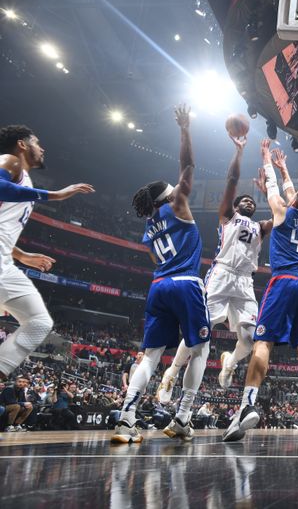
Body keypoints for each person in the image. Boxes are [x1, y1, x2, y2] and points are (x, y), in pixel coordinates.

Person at [111, 104, 211, 444]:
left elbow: (156, 256)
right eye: (170, 187)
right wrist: (185, 129)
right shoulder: (177, 205)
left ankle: (126, 417)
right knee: (201, 349)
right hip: (185, 282)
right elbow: (188, 166)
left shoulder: (149, 227)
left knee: (151, 355)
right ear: (165, 196)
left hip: (158, 286)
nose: (175, 187)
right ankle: (183, 416)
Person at [224, 140, 298, 442]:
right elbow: (289, 192)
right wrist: (285, 171)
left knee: (263, 341)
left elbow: (273, 189)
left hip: (283, 282)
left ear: (293, 202)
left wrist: (268, 159)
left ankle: (248, 406)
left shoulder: (283, 211)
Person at [157, 132, 273, 402]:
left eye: (253, 201)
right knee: (200, 331)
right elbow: (232, 181)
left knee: (250, 338)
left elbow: (281, 216)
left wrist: (267, 191)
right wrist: (240, 152)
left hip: (244, 281)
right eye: (244, 200)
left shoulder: (260, 228)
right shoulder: (227, 217)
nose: (249, 201)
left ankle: (230, 361)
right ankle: (171, 373)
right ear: (234, 206)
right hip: (222, 275)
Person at [0, 125, 94, 379]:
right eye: (37, 143)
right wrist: (55, 194)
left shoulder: (24, 178)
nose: (42, 149)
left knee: (39, 322)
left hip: (5, 262)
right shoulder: (9, 161)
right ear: (22, 145)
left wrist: (21, 255)